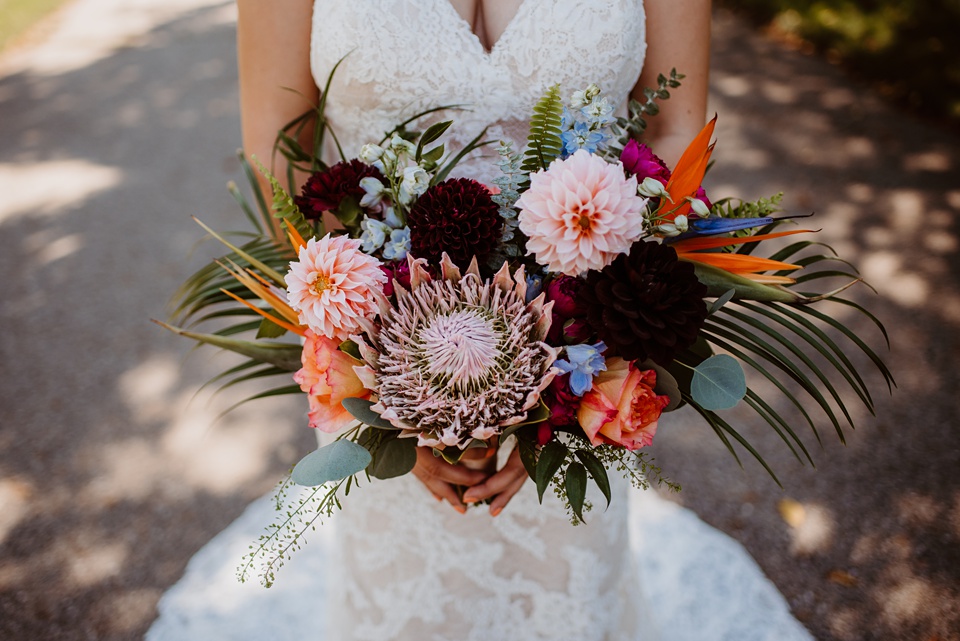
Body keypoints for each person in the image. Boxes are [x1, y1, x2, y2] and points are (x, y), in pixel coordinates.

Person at [147, 1, 816, 639]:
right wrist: (380, 388)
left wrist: (570, 393)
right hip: (381, 351)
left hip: (580, 365)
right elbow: (279, 150)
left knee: (569, 593)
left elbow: (675, 129)